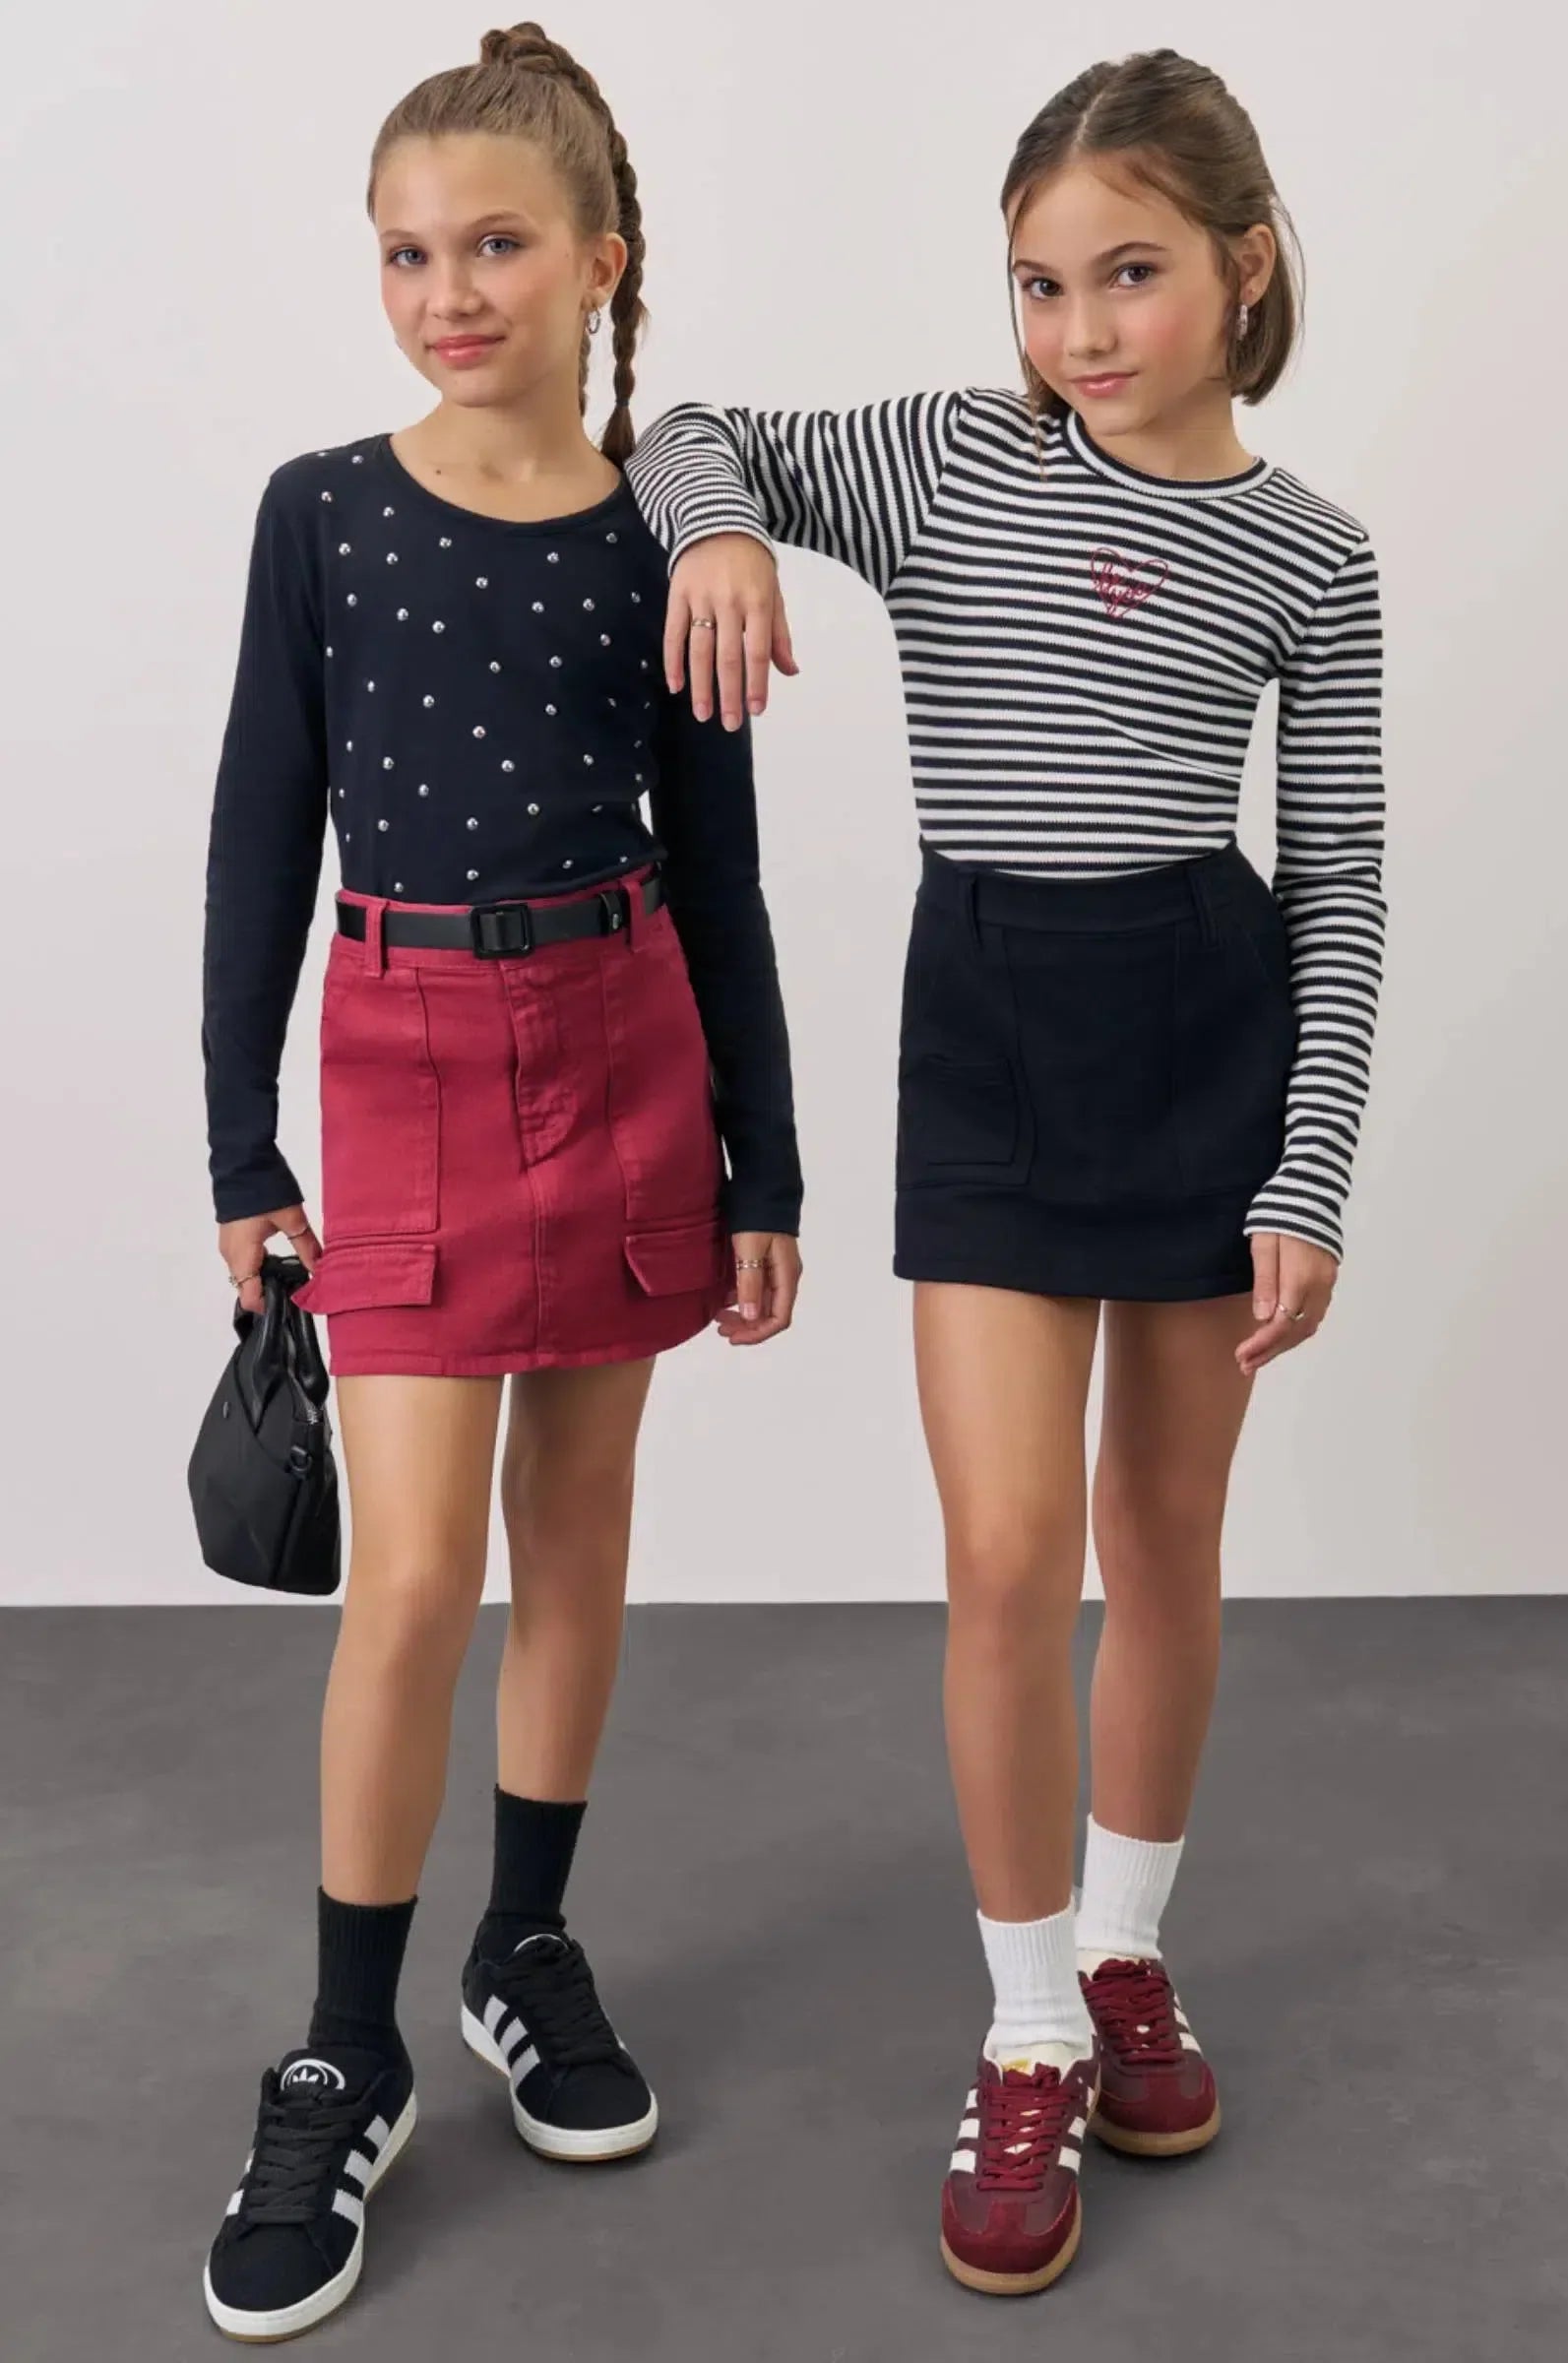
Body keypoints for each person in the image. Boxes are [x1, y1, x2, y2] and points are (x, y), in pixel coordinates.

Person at [626, 45, 1385, 2298]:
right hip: (985, 1040)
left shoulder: (1312, 554)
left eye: (1126, 275)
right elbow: (687, 430)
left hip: (1201, 1036)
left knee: (1162, 1540)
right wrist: (721, 533)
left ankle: (1128, 1947)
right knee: (1000, 1552)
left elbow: (1337, 881)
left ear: (1241, 270)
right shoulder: (959, 459)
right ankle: (1029, 2015)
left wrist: (1309, 1169)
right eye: (1039, 285)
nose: (1076, 330)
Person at [198, 21, 802, 2342]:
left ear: (597, 260)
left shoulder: (668, 532)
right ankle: (341, 2048)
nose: (445, 294)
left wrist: (762, 1156)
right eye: (404, 254)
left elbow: (718, 868)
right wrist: (238, 1143)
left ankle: (522, 1944)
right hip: (406, 1056)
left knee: (578, 1542)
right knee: (413, 1576)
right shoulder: (321, 512)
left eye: (494, 246)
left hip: (628, 1037)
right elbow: (259, 833)